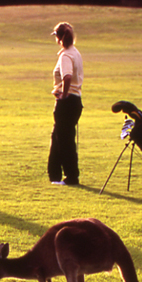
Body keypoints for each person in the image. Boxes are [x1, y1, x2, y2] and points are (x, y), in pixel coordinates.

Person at [48, 22, 83, 186]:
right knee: (58, 137)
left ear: (59, 37)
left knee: (65, 140)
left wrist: (64, 94)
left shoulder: (66, 55)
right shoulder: (75, 52)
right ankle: (54, 176)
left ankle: (72, 177)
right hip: (75, 102)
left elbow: (67, 76)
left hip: (67, 103)